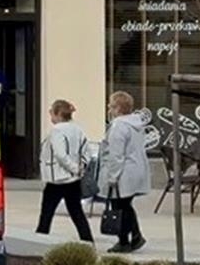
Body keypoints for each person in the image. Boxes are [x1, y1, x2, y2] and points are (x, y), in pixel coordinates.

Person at [99, 90, 151, 254]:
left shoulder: (119, 126)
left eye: (111, 105)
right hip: (136, 169)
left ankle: (123, 241)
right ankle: (136, 236)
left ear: (118, 108)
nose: (109, 108)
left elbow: (116, 154)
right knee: (126, 205)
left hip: (124, 172)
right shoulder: (136, 124)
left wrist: (112, 177)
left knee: (119, 206)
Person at [35, 99, 94, 242]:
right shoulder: (78, 129)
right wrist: (81, 168)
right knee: (76, 212)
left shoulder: (57, 131)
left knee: (47, 213)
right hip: (74, 180)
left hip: (58, 179)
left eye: (51, 113)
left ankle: (39, 240)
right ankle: (87, 240)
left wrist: (73, 168)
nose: (50, 117)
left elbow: (60, 154)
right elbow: (87, 151)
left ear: (57, 114)